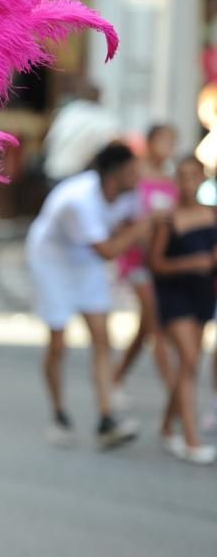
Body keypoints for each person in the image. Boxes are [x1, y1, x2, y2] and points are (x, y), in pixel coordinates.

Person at [25, 143, 150, 450]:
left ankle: (106, 418)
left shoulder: (130, 194)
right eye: (133, 171)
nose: (139, 176)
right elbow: (108, 250)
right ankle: (59, 414)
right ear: (114, 175)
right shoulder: (79, 201)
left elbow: (126, 229)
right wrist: (142, 229)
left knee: (101, 338)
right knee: (58, 342)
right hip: (52, 261)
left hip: (86, 263)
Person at [147, 156, 217, 464]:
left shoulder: (211, 216)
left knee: (190, 363)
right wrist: (191, 263)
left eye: (193, 177)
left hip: (202, 294)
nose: (188, 183)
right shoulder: (168, 220)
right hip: (175, 294)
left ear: (202, 179)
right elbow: (156, 264)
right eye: (182, 177)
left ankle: (166, 425)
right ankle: (191, 439)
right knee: (188, 359)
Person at [111, 124, 179, 406]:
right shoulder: (135, 176)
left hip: (159, 258)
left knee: (146, 328)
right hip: (136, 257)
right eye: (164, 141)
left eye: (172, 142)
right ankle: (176, 398)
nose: (168, 148)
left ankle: (115, 378)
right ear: (150, 143)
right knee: (157, 323)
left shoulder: (173, 178)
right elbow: (121, 215)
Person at [42, 81, 122, 184]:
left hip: (51, 172)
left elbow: (49, 140)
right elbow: (116, 142)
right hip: (73, 175)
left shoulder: (68, 111)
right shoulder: (100, 117)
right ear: (99, 96)